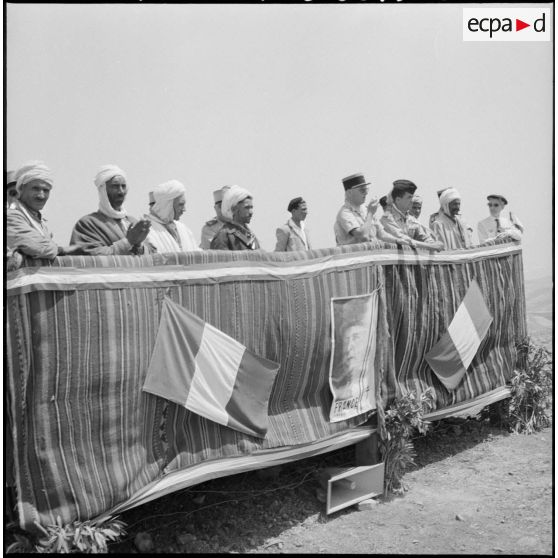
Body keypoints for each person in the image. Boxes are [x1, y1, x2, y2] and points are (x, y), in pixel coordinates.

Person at [7, 161, 82, 260]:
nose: (41, 195)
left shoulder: (38, 221)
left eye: (46, 190)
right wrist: (60, 250)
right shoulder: (10, 216)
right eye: (35, 189)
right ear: (21, 189)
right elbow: (34, 246)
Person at [70, 164, 151, 255]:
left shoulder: (133, 222)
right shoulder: (87, 224)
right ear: (103, 190)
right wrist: (128, 242)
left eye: (123, 186)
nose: (121, 192)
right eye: (115, 186)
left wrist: (139, 245)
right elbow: (92, 259)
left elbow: (151, 256)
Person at [333, 173, 408, 247]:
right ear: (349, 192)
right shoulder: (345, 213)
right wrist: (370, 213)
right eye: (362, 190)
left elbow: (382, 234)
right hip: (354, 258)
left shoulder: (366, 210)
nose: (366, 193)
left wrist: (398, 240)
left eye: (366, 189)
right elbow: (363, 236)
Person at [380, 180, 442, 250]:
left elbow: (424, 238)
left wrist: (434, 243)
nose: (412, 200)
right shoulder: (387, 219)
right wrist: (432, 246)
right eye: (409, 197)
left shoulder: (412, 220)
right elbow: (405, 240)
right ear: (398, 200)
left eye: (412, 197)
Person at [144, 180, 200, 253]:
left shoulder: (184, 229)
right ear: (168, 205)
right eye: (180, 205)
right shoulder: (148, 231)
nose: (184, 209)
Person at [210, 185, 260, 250]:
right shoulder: (223, 236)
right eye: (246, 208)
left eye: (251, 208)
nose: (251, 212)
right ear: (234, 209)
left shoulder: (251, 236)